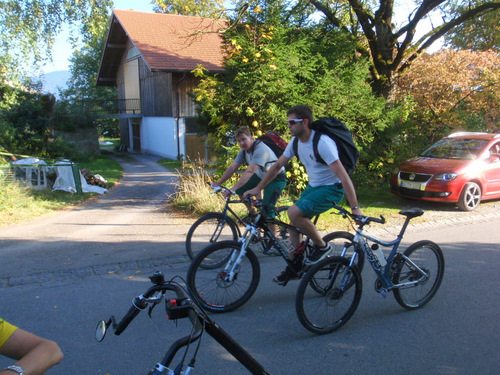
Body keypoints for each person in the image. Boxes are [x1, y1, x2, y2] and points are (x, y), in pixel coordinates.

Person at [244, 104, 363, 285]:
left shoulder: (322, 143)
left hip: (332, 188)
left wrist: (355, 209)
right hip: (313, 187)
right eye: (288, 122)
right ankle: (295, 266)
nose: (289, 126)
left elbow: (343, 176)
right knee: (293, 225)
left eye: (292, 122)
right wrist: (257, 188)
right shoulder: (296, 142)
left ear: (304, 122)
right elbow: (276, 166)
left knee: (293, 212)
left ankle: (322, 247)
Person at [212, 126, 287, 240]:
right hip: (262, 175)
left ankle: (274, 239)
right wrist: (219, 183)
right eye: (239, 141)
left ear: (251, 138)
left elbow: (250, 171)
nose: (242, 143)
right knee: (241, 190)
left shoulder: (260, 149)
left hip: (276, 177)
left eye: (244, 139)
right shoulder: (244, 151)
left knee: (268, 209)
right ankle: (254, 214)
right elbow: (233, 168)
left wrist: (232, 189)